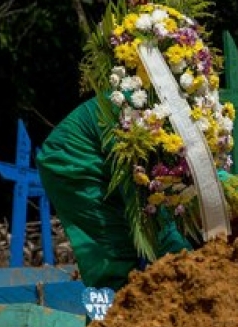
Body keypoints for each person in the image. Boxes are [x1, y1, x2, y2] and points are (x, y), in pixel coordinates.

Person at [36, 97, 193, 290]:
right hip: (75, 159)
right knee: (114, 255)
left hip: (124, 155)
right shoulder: (133, 112)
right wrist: (183, 261)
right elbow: (149, 208)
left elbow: (199, 176)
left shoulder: (194, 112)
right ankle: (111, 310)